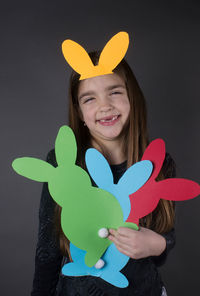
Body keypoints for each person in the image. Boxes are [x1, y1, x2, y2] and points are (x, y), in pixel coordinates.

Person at [31, 52, 176, 296]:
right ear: (79, 112)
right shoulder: (64, 165)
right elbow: (47, 252)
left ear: (133, 97)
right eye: (89, 99)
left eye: (115, 92)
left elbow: (163, 239)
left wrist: (158, 244)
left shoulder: (157, 163)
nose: (104, 106)